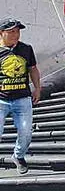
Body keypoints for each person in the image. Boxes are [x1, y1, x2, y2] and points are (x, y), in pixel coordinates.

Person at [0, 18, 40, 174]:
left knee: (26, 131)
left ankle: (18, 156)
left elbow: (33, 69)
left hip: (22, 98)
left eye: (17, 31)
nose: (16, 35)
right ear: (1, 33)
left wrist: (37, 88)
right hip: (1, 99)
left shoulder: (26, 49)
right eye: (11, 32)